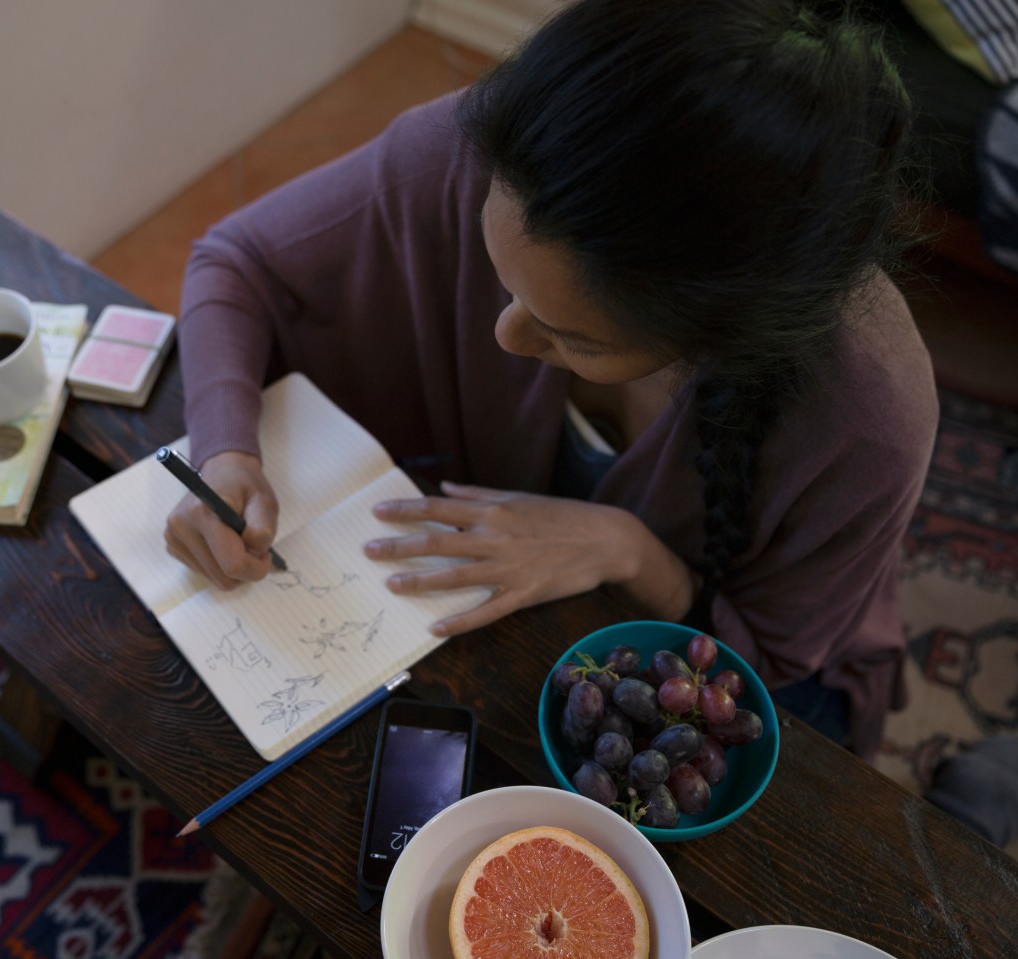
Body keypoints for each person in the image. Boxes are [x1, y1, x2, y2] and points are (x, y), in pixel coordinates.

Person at [163, 0, 939, 760]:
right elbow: (237, 263)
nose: (504, 334)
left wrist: (630, 552)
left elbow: (761, 665)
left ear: (716, 339)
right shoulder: (488, 150)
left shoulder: (865, 416)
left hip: (737, 669)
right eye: (500, 277)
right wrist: (227, 453)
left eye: (572, 336)